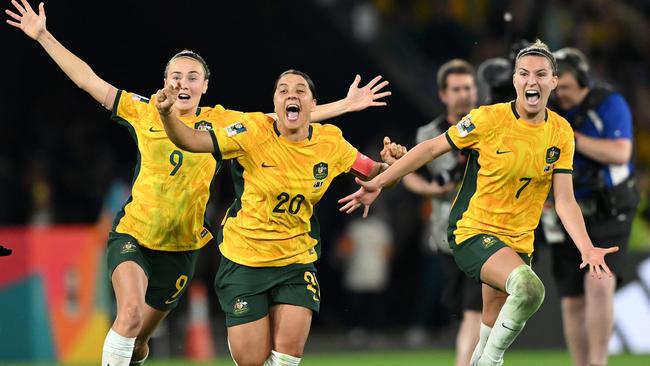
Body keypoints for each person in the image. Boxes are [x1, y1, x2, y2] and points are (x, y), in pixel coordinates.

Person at [6, 2, 392, 365]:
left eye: (192, 77)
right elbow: (87, 79)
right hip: (135, 234)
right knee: (128, 314)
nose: (183, 83)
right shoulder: (145, 111)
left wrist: (343, 105)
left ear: (205, 86)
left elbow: (280, 118)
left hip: (183, 247)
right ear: (165, 82)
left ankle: (136, 348)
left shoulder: (222, 121)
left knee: (140, 339)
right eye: (176, 77)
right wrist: (43, 35)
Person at [339, 39, 619, 366]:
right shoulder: (487, 119)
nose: (532, 81)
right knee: (529, 290)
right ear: (515, 79)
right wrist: (379, 182)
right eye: (524, 73)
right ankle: (491, 361)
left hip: (518, 243)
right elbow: (430, 149)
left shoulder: (561, 132)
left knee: (489, 324)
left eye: (541, 74)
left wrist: (586, 247)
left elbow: (565, 199)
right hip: (473, 230)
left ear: (553, 82)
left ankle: (481, 359)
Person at [154, 69, 406, 366]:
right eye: (283, 90)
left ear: (313, 105)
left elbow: (377, 174)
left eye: (300, 90)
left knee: (287, 356)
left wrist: (394, 164)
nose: (291, 95)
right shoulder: (251, 130)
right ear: (274, 104)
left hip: (295, 261)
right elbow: (193, 141)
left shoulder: (331, 143)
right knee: (252, 360)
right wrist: (168, 115)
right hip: (245, 260)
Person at [550, 47, 639, 366]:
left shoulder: (608, 104)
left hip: (608, 207)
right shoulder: (549, 109)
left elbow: (619, 153)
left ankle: (598, 362)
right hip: (565, 210)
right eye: (556, 88)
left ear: (584, 81)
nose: (561, 95)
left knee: (599, 282)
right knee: (572, 299)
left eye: (567, 88)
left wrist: (569, 137)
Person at [401, 59, 482, 365]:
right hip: (446, 234)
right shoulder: (429, 133)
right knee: (465, 311)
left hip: (484, 230)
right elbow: (407, 173)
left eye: (469, 87)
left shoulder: (487, 123)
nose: (464, 94)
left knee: (476, 310)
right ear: (443, 95)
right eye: (457, 89)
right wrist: (430, 190)